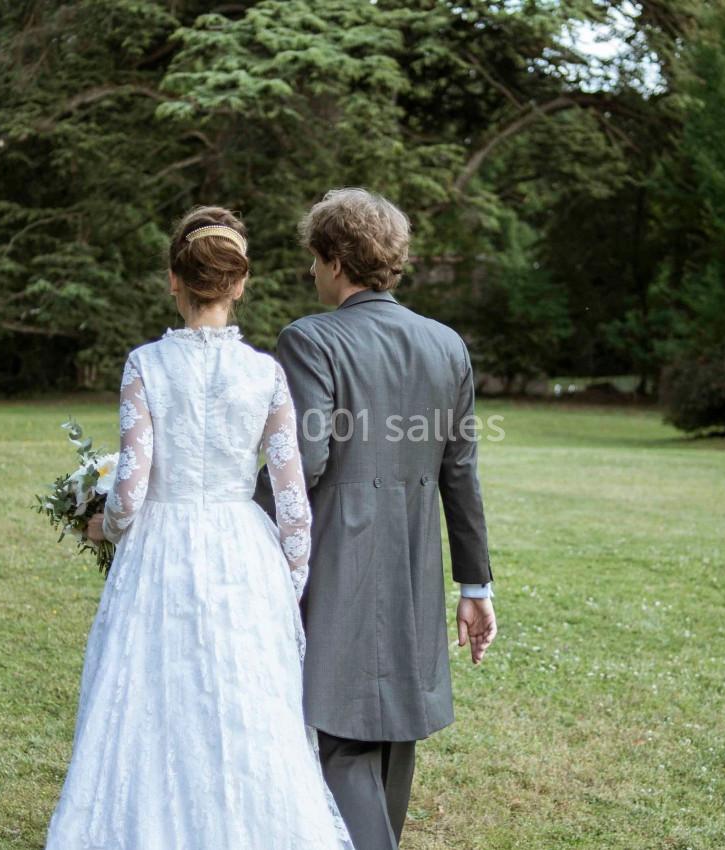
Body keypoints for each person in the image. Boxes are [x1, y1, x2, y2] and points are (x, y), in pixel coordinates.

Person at [45, 206, 354, 850]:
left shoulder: (145, 365)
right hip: (244, 549)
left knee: (151, 697)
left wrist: (106, 526)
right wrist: (285, 580)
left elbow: (130, 485)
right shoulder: (266, 374)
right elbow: (293, 503)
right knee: (245, 702)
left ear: (173, 281)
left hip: (162, 544)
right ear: (239, 285)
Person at [254, 187, 498, 850]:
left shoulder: (308, 340)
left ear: (336, 260)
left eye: (314, 258)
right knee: (390, 743)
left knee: (344, 743)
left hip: (340, 562)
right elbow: (461, 472)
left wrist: (242, 531)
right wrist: (475, 586)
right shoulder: (446, 344)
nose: (311, 272)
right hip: (416, 569)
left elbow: (299, 462)